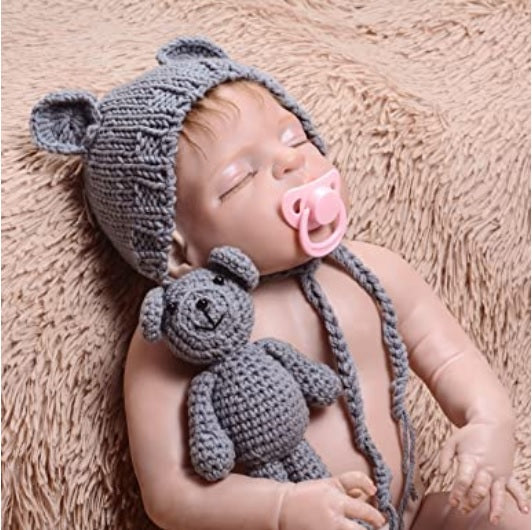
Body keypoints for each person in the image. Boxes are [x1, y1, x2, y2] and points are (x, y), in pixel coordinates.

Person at [29, 36, 530, 530]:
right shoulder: (177, 337)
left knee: (502, 516)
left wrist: (489, 427)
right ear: (178, 249)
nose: (291, 162)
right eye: (241, 178)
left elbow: (453, 361)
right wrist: (282, 510)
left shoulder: (375, 272)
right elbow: (171, 494)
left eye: (295, 139)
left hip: (407, 515)